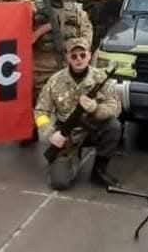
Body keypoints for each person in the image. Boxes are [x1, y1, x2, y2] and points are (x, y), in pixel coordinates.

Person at [34, 37, 122, 190]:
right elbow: (40, 111)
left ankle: (99, 170)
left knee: (113, 126)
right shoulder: (55, 81)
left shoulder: (100, 77)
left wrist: (96, 109)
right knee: (59, 182)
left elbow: (115, 108)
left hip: (92, 129)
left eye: (82, 55)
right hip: (67, 134)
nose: (79, 59)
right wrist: (50, 133)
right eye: (74, 56)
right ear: (67, 57)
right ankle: (71, 159)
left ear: (89, 55)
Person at [28, 0, 93, 144]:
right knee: (38, 102)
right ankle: (32, 129)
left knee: (69, 103)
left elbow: (87, 32)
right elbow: (24, 36)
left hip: (68, 62)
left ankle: (66, 137)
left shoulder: (76, 10)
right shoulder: (34, 9)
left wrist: (77, 49)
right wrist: (40, 28)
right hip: (42, 64)